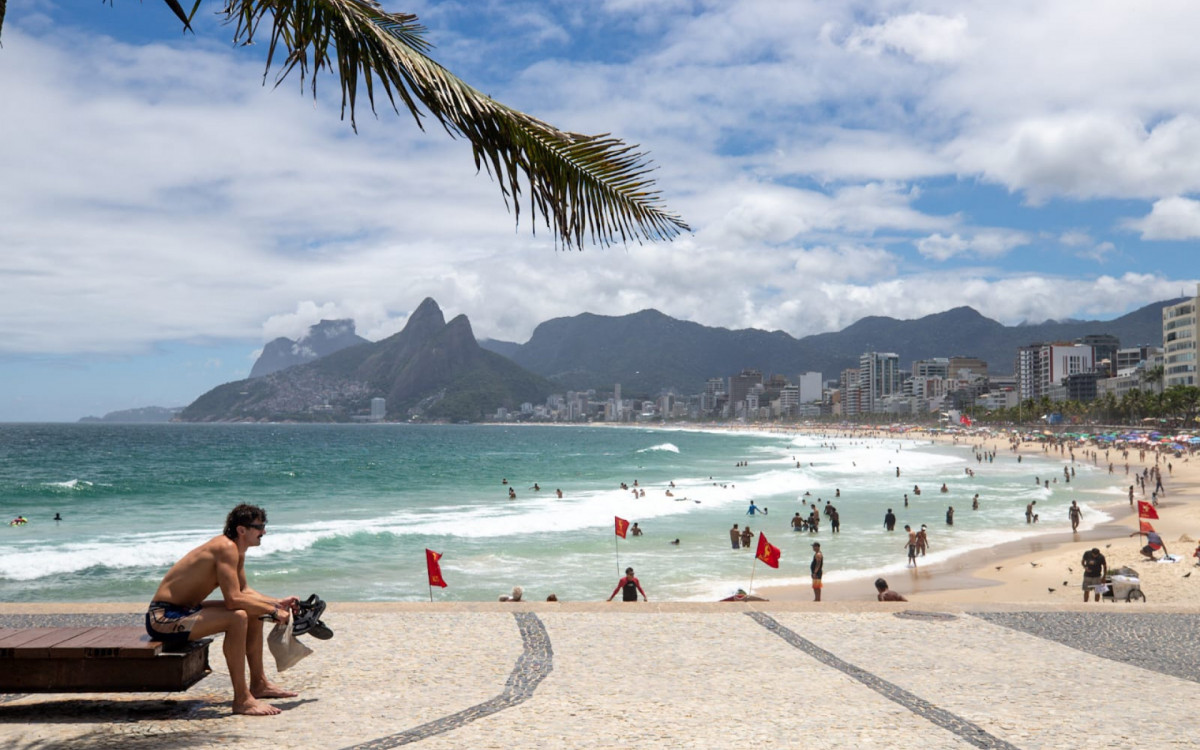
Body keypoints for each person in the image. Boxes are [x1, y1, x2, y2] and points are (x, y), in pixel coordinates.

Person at [146, 503, 299, 716]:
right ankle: (242, 699)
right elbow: (233, 600)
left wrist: (277, 604)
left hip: (186, 611)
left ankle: (259, 684)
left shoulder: (237, 550)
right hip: (164, 617)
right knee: (237, 616)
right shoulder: (225, 547)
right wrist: (274, 613)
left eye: (264, 526)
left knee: (254, 613)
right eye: (259, 526)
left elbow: (245, 592)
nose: (264, 532)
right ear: (241, 529)